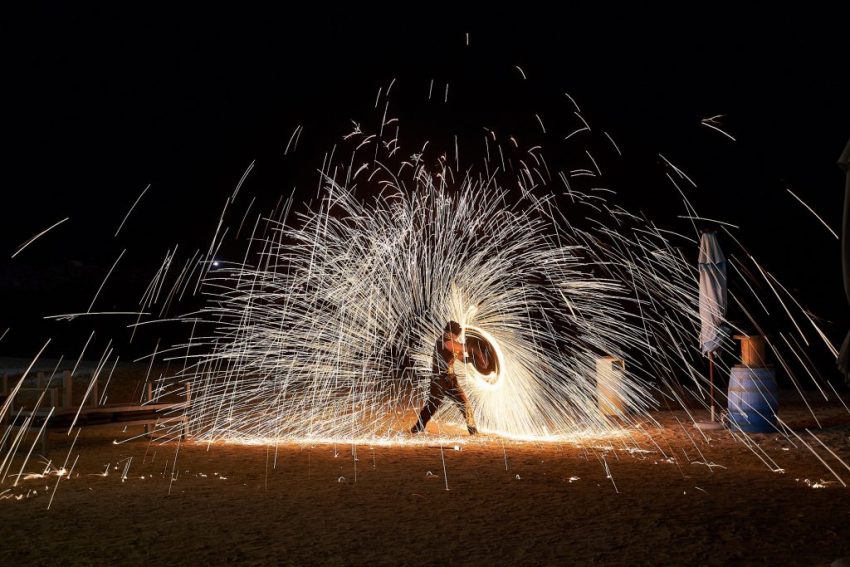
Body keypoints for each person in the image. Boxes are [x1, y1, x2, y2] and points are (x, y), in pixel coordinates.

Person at [410, 321, 479, 435]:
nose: (457, 338)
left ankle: (473, 431)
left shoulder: (451, 342)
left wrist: (474, 359)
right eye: (457, 335)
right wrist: (475, 347)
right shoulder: (444, 341)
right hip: (439, 380)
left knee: (463, 404)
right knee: (433, 405)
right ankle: (417, 428)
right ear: (452, 333)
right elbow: (462, 348)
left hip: (450, 379)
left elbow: (462, 358)